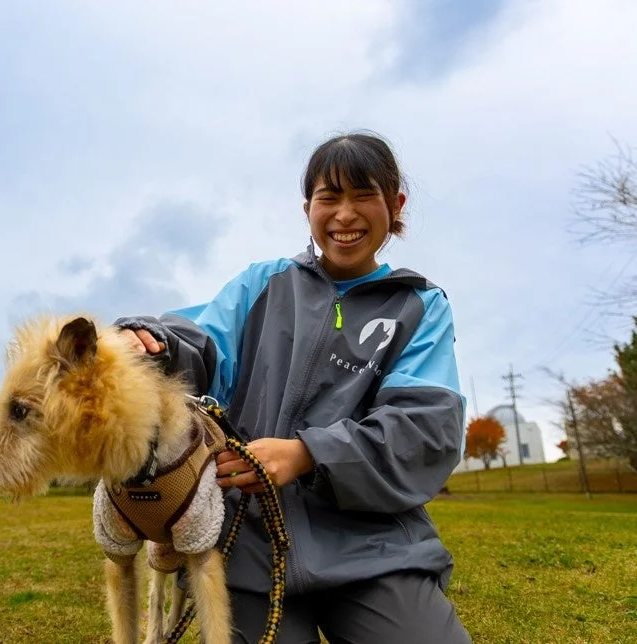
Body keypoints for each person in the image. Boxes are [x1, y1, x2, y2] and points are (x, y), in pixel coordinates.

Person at [116, 132, 472, 643]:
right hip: (246, 541)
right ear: (307, 208)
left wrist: (308, 454)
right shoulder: (263, 284)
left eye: (363, 195)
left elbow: (426, 429)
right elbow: (196, 341)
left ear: (395, 204)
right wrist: (147, 341)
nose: (344, 214)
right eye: (329, 198)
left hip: (374, 548)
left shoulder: (419, 307)